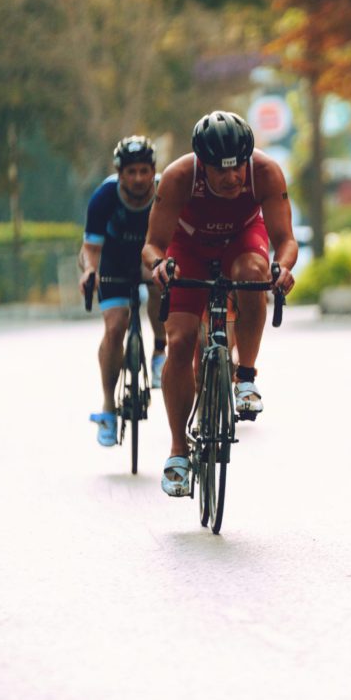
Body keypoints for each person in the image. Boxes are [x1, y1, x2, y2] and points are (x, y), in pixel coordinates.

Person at [142, 110, 298, 497]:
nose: (232, 178)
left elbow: (286, 239)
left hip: (242, 241)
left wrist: (284, 267)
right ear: (202, 164)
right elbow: (153, 245)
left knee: (254, 271)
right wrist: (158, 266)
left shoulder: (265, 172)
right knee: (179, 342)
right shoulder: (179, 177)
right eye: (221, 170)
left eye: (238, 168)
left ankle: (245, 376)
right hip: (188, 247)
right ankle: (179, 450)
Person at [79, 135, 168, 447]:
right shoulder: (104, 197)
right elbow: (90, 248)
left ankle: (159, 351)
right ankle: (107, 407)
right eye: (131, 172)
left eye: (144, 170)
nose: (139, 178)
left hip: (152, 260)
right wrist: (90, 271)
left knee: (160, 281)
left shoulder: (165, 192)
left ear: (153, 170)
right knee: (115, 326)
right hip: (114, 266)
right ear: (119, 173)